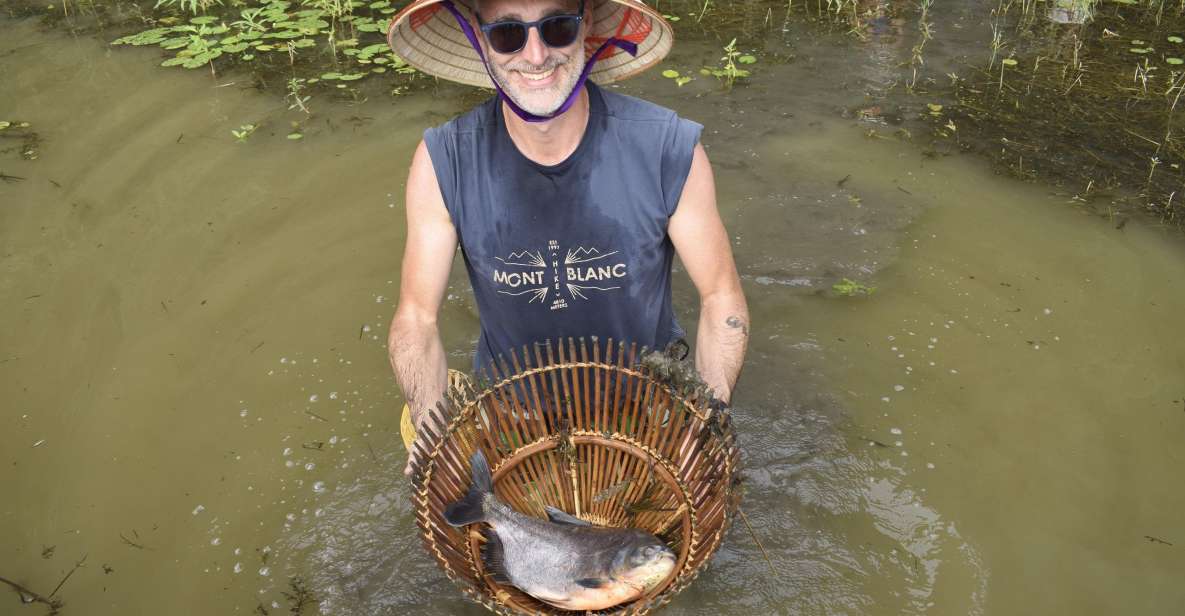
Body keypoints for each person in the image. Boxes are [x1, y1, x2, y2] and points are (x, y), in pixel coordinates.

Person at [386, 0, 748, 474]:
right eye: (508, 34)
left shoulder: (667, 148)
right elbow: (416, 318)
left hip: (645, 411)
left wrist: (706, 421)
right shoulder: (443, 160)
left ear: (587, 26)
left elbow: (721, 297)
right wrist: (432, 436)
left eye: (557, 27)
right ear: (480, 38)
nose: (535, 56)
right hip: (514, 419)